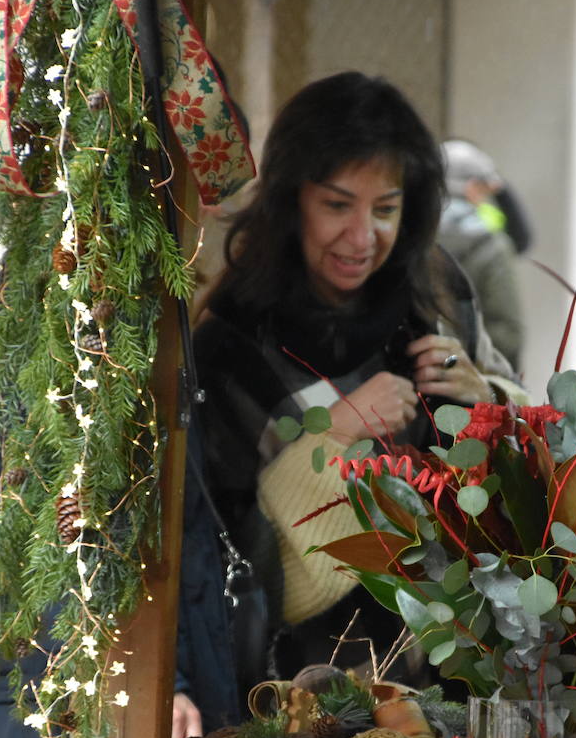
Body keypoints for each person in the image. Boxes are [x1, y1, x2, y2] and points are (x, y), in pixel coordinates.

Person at [193, 72, 526, 681]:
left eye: (386, 209)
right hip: (290, 695)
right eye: (337, 205)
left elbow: (530, 461)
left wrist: (487, 401)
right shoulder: (231, 343)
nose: (362, 237)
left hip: (451, 684)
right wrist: (333, 434)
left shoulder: (440, 292)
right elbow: (222, 558)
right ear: (292, 201)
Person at [0, 265, 238, 738]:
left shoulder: (148, 298)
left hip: (123, 707)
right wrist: (164, 681)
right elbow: (16, 538)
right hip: (70, 716)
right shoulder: (37, 314)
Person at [438, 139, 526, 369]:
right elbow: (507, 332)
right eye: (485, 188)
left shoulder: (409, 234)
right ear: (472, 187)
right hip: (475, 375)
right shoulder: (491, 245)